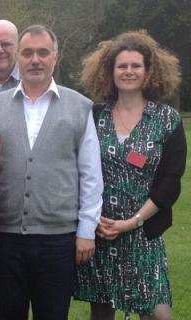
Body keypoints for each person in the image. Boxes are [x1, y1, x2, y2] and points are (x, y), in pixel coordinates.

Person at [0, 25, 103, 319]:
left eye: (42, 53)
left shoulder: (80, 107)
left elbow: (90, 174)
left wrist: (87, 230)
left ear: (55, 57)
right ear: (17, 58)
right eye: (27, 53)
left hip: (58, 240)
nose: (35, 60)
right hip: (4, 237)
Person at [75, 31, 186, 320]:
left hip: (142, 234)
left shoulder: (166, 119)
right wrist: (90, 219)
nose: (128, 72)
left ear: (149, 71)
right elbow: (79, 169)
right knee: (101, 312)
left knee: (158, 314)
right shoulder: (94, 115)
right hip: (101, 233)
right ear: (109, 71)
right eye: (121, 66)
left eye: (136, 65)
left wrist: (132, 222)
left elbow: (171, 181)